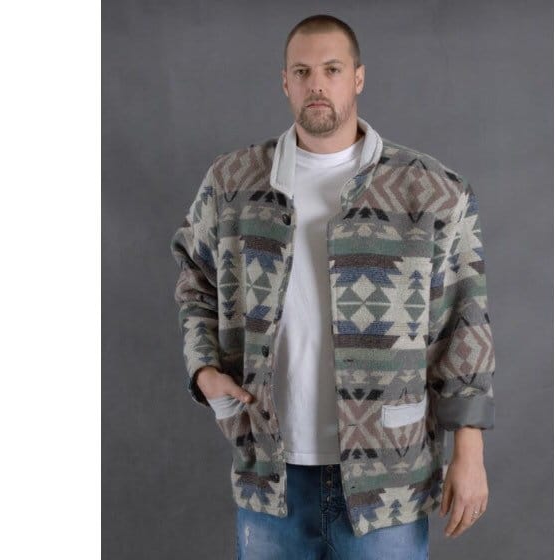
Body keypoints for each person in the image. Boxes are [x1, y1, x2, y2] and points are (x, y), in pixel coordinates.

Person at [170, 14, 496, 560]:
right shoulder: (233, 183)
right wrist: (203, 370)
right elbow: (195, 280)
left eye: (332, 69)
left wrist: (471, 451)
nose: (316, 84)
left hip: (387, 479)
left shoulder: (432, 190)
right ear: (285, 82)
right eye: (302, 71)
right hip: (270, 474)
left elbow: (465, 321)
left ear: (358, 78)